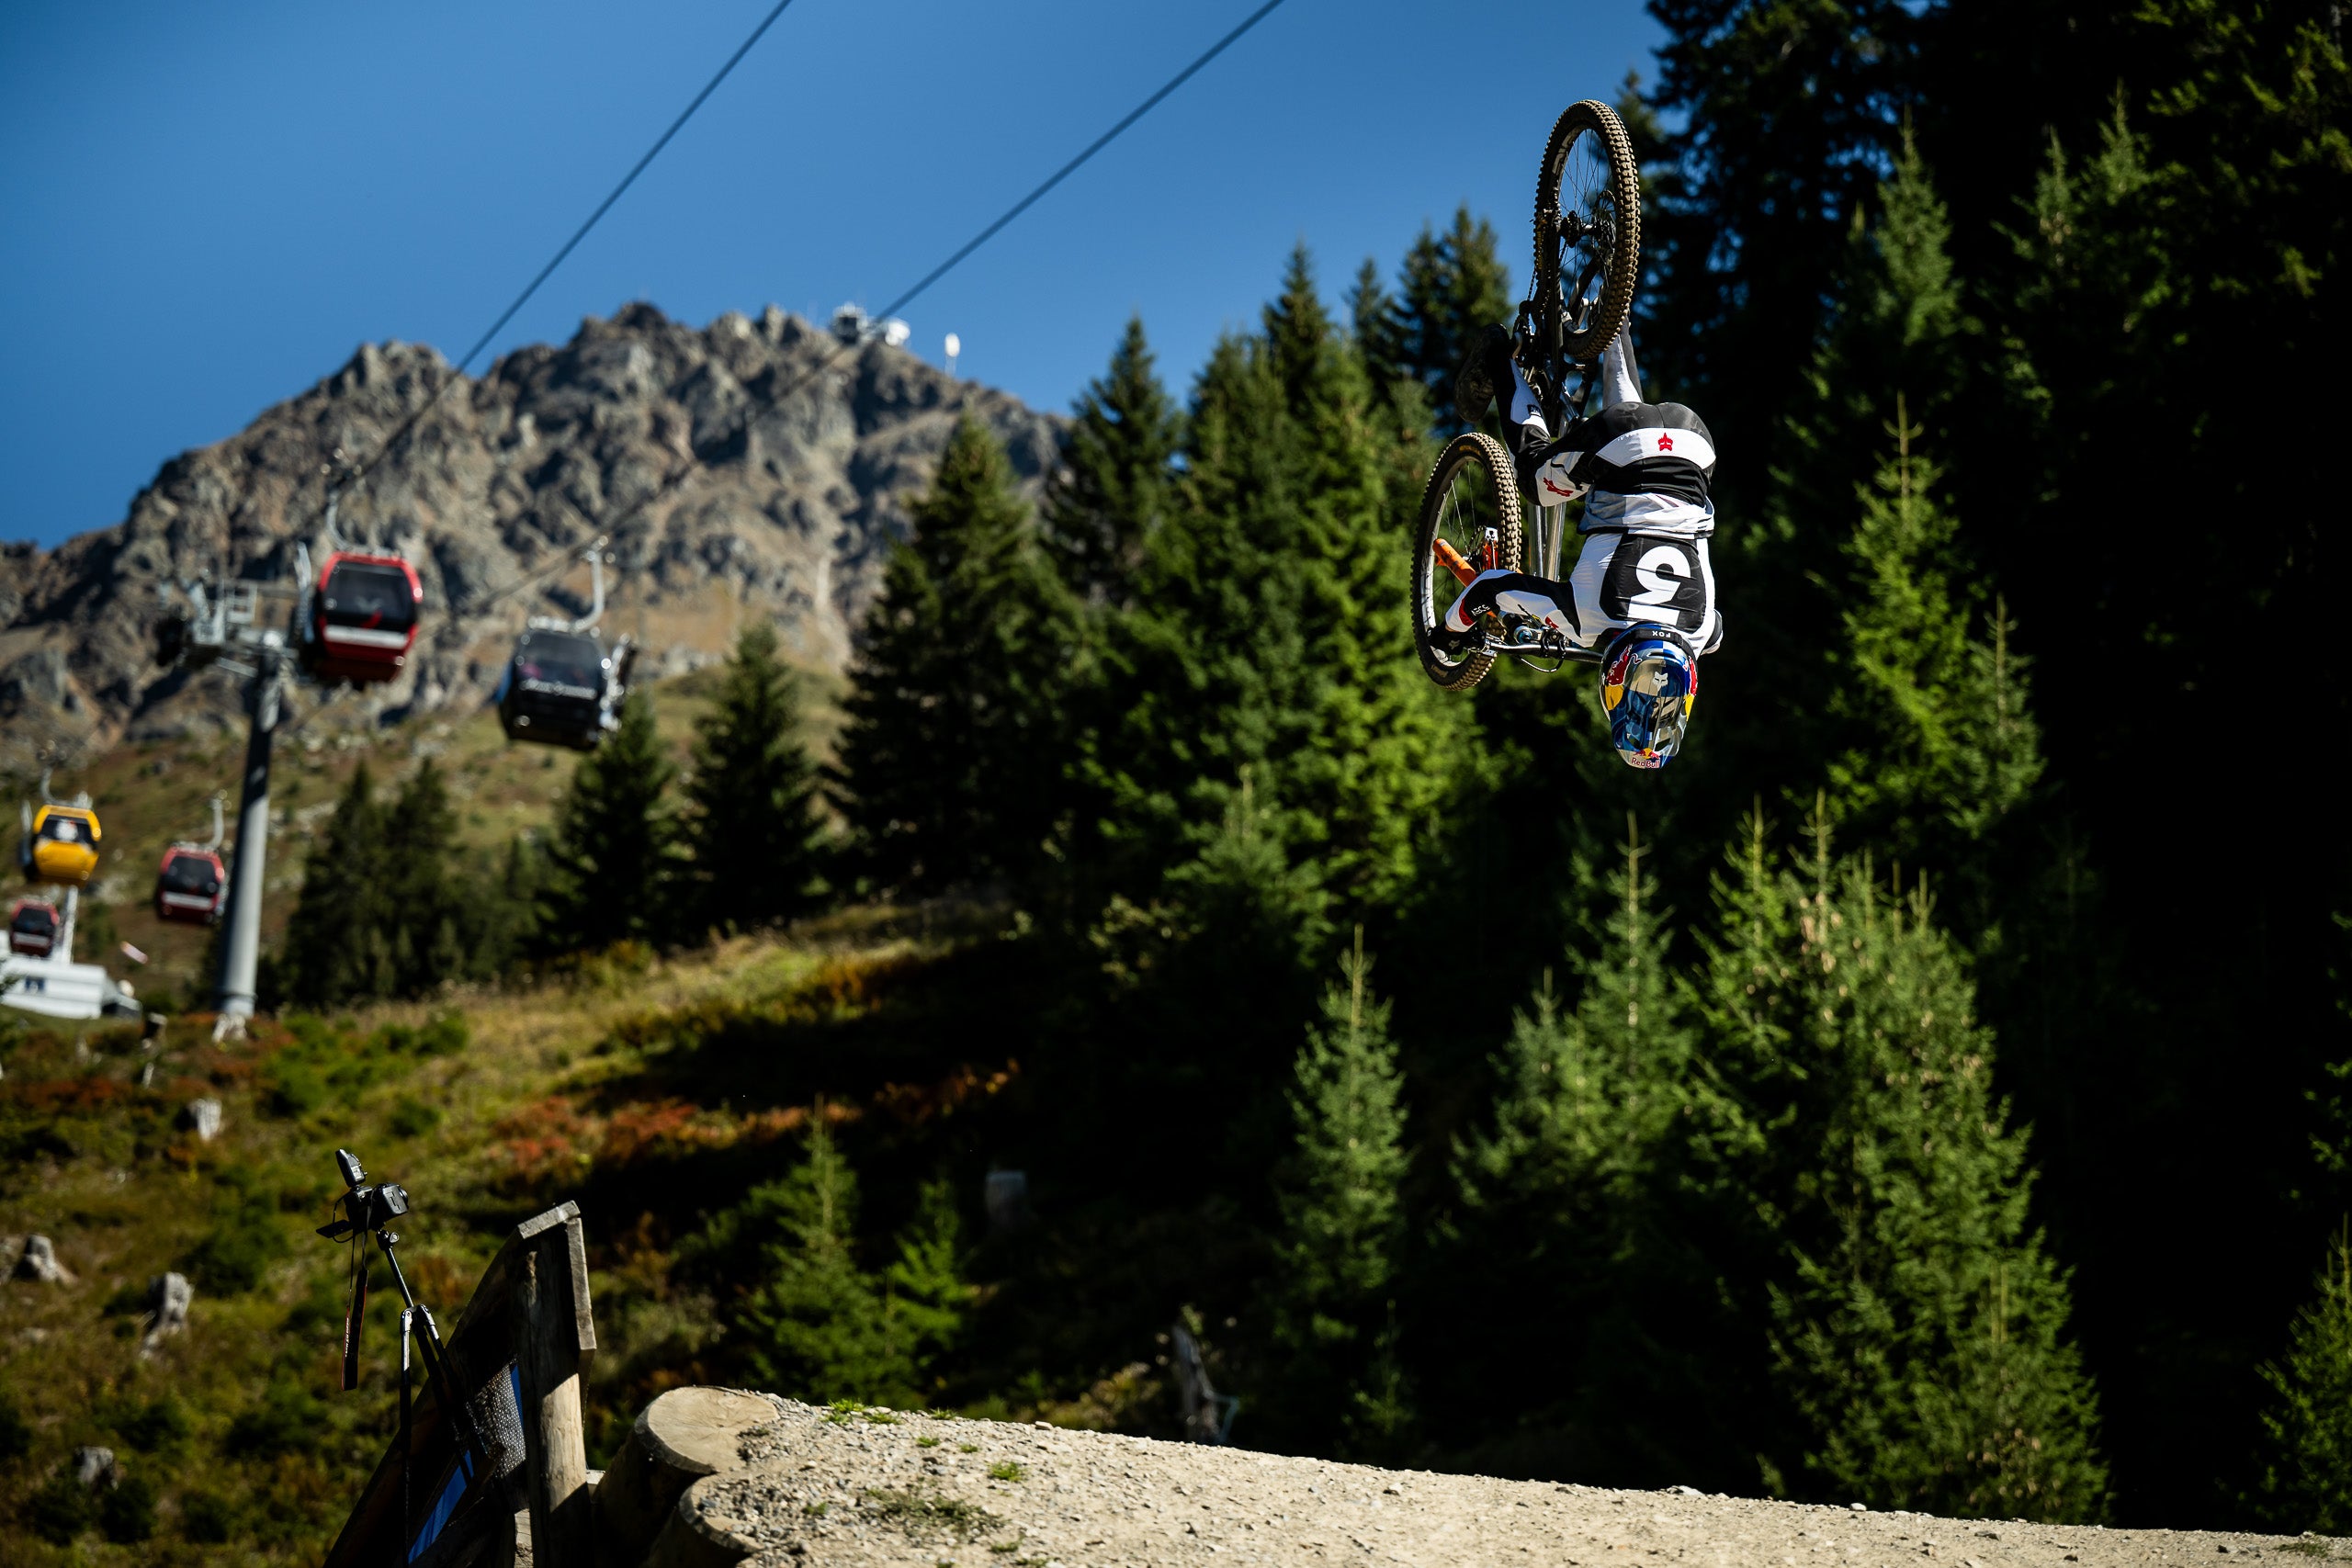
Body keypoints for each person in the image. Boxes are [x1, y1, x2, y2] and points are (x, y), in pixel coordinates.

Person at [1446, 322, 1721, 769]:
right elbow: (1489, 589)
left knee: (1631, 424)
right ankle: (1500, 358)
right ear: (1611, 686)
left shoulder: (1703, 629)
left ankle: (1615, 319)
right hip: (1623, 447)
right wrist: (1449, 632)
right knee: (1535, 479)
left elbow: (1715, 638)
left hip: (1694, 442)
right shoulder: (1586, 621)